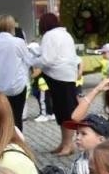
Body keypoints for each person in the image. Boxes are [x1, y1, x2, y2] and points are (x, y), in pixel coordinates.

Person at [26, 13, 82, 157]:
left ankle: (68, 145)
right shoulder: (65, 34)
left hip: (58, 76)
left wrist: (32, 61)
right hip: (68, 75)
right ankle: (64, 143)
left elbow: (48, 60)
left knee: (64, 112)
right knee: (63, 111)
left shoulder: (49, 36)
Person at [0, 15, 31, 127]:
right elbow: (28, 60)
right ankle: (17, 141)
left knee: (2, 118)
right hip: (17, 86)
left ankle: (3, 141)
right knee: (17, 118)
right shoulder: (18, 42)